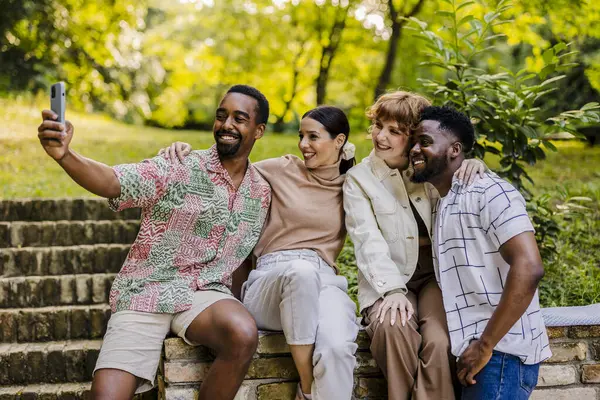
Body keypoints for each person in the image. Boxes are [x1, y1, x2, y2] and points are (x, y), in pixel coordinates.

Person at [36, 85, 272, 400]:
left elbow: (243, 256)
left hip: (205, 296)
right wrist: (65, 155)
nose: (227, 124)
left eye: (239, 119)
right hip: (147, 290)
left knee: (243, 333)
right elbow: (114, 181)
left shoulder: (261, 192)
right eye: (221, 116)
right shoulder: (179, 164)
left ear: (258, 131)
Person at [161, 105, 360, 400]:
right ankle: (306, 387)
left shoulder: (354, 184)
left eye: (313, 137)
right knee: (300, 274)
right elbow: (227, 164)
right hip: (270, 284)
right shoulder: (283, 168)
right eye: (301, 136)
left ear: (339, 141)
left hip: (325, 281)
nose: (303, 145)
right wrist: (185, 152)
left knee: (337, 347)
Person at [343, 91, 485, 400]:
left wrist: (471, 165)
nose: (380, 136)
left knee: (438, 341)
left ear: (413, 136)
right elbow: (367, 240)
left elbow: (458, 181)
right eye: (378, 125)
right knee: (393, 328)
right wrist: (392, 290)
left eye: (395, 131)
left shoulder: (428, 166)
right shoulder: (359, 179)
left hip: (436, 276)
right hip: (388, 278)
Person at [409, 105, 551, 399]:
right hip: (476, 355)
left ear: (454, 149)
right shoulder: (445, 201)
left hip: (500, 356)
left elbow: (529, 267)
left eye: (424, 141)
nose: (414, 149)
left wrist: (485, 345)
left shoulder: (489, 192)